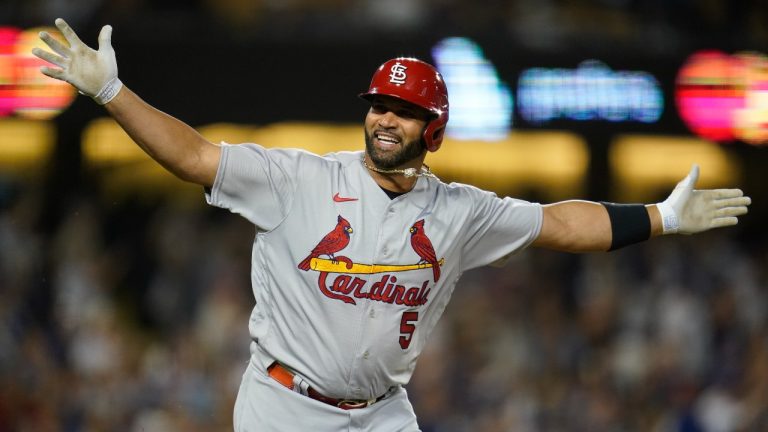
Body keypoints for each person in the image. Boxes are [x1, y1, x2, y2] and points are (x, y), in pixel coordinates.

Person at [32, 19, 751, 432]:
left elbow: (561, 223)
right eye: (379, 103)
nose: (384, 117)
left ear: (431, 128)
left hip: (381, 416)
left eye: (403, 109)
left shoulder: (460, 211)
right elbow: (191, 156)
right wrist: (112, 92)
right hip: (283, 407)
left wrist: (659, 217)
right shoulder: (300, 180)